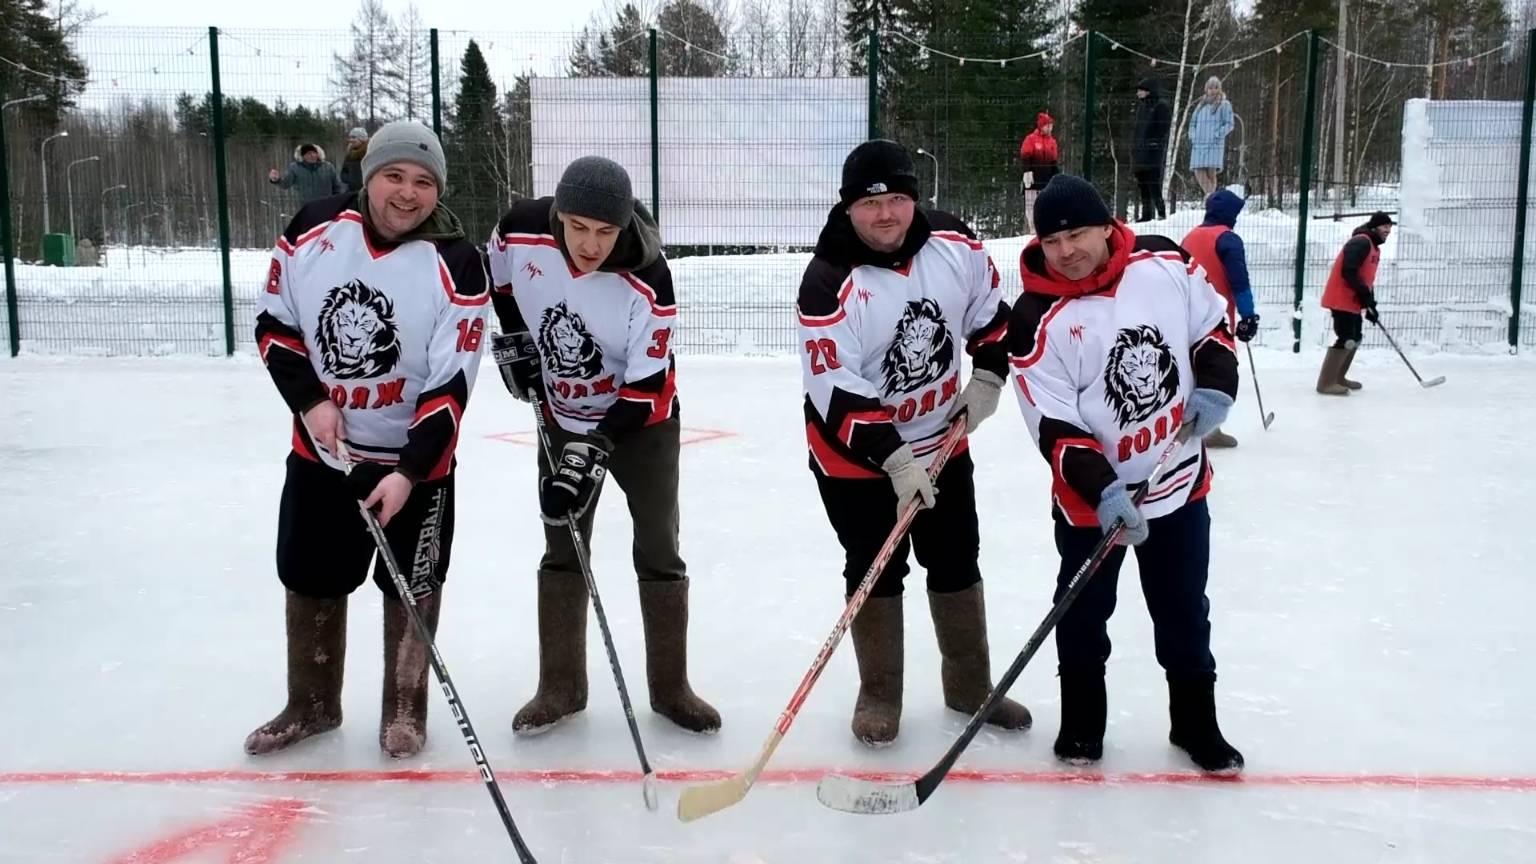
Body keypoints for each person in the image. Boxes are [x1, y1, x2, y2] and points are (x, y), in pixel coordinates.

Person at [246, 121, 490, 759]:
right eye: (394, 176)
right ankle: (313, 704)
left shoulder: (459, 264)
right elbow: (276, 326)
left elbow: (450, 387)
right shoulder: (311, 231)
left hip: (418, 465)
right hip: (323, 455)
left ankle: (405, 711)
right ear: (366, 175)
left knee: (413, 581)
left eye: (423, 182)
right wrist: (312, 401)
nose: (407, 194)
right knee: (311, 572)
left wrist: (409, 471)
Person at [797, 139, 1032, 746]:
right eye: (871, 203)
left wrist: (987, 376)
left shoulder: (954, 245)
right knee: (875, 567)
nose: (886, 215)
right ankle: (879, 693)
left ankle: (970, 687)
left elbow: (992, 319)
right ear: (848, 208)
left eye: (898, 199)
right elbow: (835, 390)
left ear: (913, 200)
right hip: (855, 459)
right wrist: (894, 459)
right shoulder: (827, 279)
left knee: (956, 557)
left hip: (942, 439)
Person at [1008, 174, 1244, 775]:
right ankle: (1083, 724)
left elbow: (1212, 326)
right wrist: (1103, 488)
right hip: (1094, 505)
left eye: (1078, 234)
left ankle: (1196, 724)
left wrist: (1215, 382)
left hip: (1179, 485)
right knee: (1083, 615)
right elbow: (1052, 423)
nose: (1066, 251)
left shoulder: (1164, 262)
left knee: (1184, 611)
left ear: (1107, 226)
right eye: (1053, 239)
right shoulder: (1035, 317)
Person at [485, 155, 720, 735]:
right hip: (560, 412)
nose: (591, 245)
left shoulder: (649, 276)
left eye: (606, 232)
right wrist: (517, 338)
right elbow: (500, 281)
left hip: (641, 423)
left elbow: (645, 381)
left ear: (624, 227)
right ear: (559, 215)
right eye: (580, 228)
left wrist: (598, 444)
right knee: (563, 542)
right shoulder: (518, 230)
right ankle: (560, 687)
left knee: (659, 546)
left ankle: (671, 688)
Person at [1181, 188, 1258, 448]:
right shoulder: (1228, 239)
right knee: (1217, 368)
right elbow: (1240, 281)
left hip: (1186, 311)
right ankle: (1209, 430)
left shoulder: (1191, 236)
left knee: (1191, 366)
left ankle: (1184, 424)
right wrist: (1248, 315)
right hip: (1217, 316)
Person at [1318, 211, 1393, 395]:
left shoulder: (1374, 247)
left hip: (1353, 300)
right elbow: (1349, 271)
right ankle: (1326, 382)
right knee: (1347, 338)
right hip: (1341, 298)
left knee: (1356, 337)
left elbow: (1366, 277)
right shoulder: (1361, 242)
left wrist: (1370, 304)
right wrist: (1364, 296)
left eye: (1390, 227)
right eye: (1385, 226)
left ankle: (1338, 377)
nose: (1388, 230)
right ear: (1375, 226)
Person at [1131, 78, 1172, 222]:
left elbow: (1163, 127)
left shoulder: (1160, 106)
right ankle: (1146, 214)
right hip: (1140, 152)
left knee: (1153, 183)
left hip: (1153, 153)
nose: (1138, 93)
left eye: (1141, 90)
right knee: (1142, 185)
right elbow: (1137, 131)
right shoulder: (1142, 108)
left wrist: (1155, 143)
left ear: (1149, 90)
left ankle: (1161, 213)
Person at [1188, 77, 1235, 197]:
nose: (1213, 90)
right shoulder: (1200, 105)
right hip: (1198, 144)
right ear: (1206, 89)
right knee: (1198, 171)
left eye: (1216, 87)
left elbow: (1230, 124)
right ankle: (1213, 198)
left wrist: (1217, 134)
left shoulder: (1224, 104)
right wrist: (1193, 136)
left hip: (1213, 144)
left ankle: (1211, 200)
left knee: (1211, 173)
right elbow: (1192, 122)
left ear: (1219, 89)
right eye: (1210, 87)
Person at [1019, 112, 1060, 234]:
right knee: (1031, 203)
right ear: (1041, 126)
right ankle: (1033, 227)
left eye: (1051, 126)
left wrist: (1056, 176)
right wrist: (1027, 172)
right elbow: (1025, 156)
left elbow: (1054, 161)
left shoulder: (1052, 141)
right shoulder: (1030, 139)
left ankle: (1046, 225)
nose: (1050, 128)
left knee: (1046, 202)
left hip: (1047, 177)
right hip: (1032, 177)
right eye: (1048, 125)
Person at [267, 143, 343, 205]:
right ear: (302, 156)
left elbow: (336, 186)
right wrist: (276, 180)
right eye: (309, 153)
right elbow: (285, 184)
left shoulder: (328, 167)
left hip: (326, 206)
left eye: (314, 153)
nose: (312, 155)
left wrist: (337, 201)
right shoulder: (295, 168)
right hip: (305, 207)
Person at [340, 127, 369, 192]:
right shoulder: (349, 155)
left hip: (367, 191)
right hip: (352, 192)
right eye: (350, 137)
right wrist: (351, 180)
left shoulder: (369, 154)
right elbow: (343, 173)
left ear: (362, 139)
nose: (351, 140)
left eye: (354, 137)